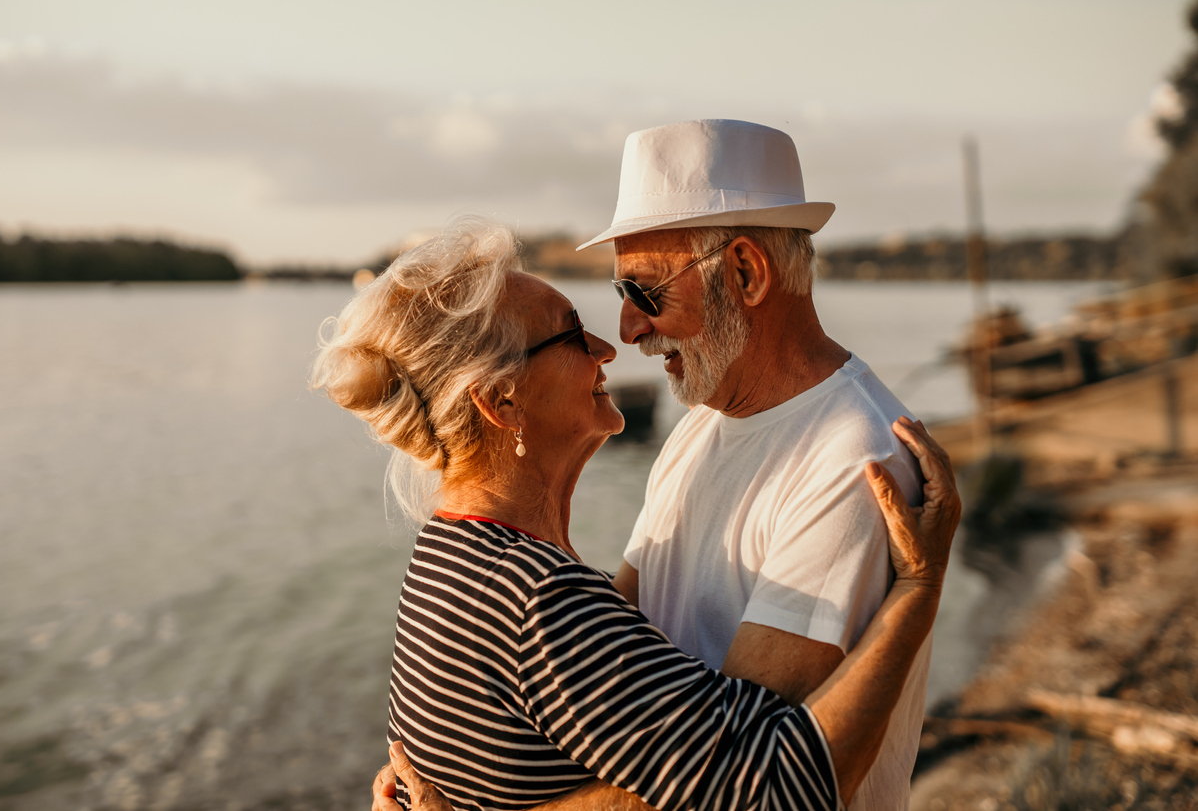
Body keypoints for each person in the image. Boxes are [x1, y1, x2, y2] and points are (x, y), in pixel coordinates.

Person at [377, 119, 936, 811]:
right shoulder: (701, 427)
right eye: (620, 297)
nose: (626, 333)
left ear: (745, 271)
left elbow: (748, 786)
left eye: (645, 292)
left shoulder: (853, 461)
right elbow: (609, 658)